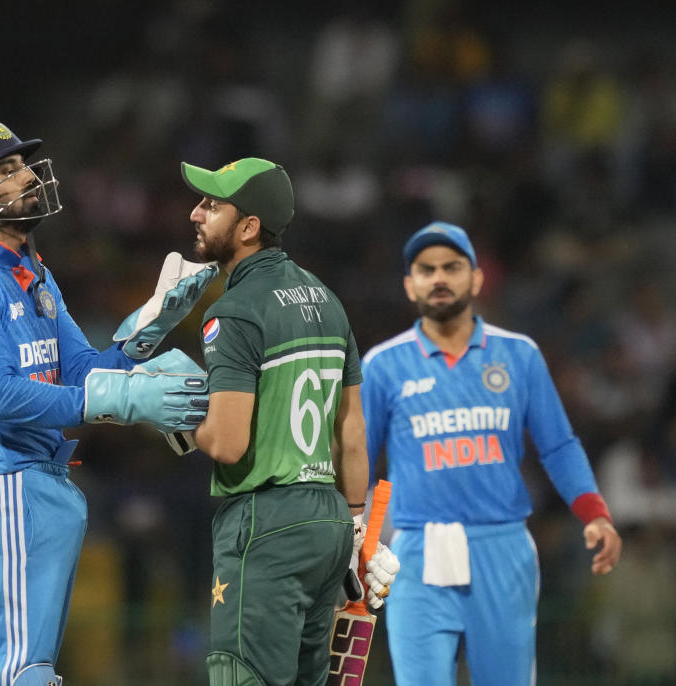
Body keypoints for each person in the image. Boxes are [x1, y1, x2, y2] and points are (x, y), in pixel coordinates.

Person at [0, 117, 217, 686]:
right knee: (19, 675)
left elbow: (81, 371)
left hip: (38, 484)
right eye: (7, 170)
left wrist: (148, 326)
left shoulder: (31, 268)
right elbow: (3, 397)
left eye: (24, 164)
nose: (28, 176)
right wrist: (128, 396)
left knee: (30, 672)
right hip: (1, 485)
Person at [359, 221, 623, 686]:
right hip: (418, 551)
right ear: (409, 284)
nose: (439, 278)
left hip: (502, 546)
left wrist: (594, 512)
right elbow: (357, 459)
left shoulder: (519, 355)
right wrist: (352, 536)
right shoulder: (383, 365)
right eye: (426, 270)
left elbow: (558, 445)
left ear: (477, 279)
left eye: (452, 267)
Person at [173, 157, 400, 686]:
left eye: (212, 204)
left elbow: (227, 443)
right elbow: (352, 433)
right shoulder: (327, 300)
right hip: (327, 524)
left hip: (266, 525)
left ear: (249, 227)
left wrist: (179, 422)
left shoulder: (234, 311)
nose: (196, 213)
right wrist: (356, 526)